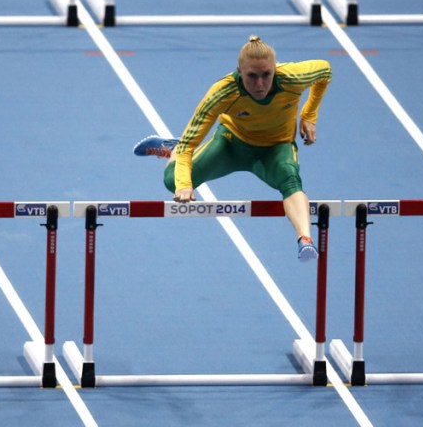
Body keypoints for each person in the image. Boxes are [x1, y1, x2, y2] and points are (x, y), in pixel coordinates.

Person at [134, 35, 331, 262]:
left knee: (290, 178)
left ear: (275, 69)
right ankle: (173, 149)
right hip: (231, 144)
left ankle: (305, 241)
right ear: (239, 70)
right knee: (172, 181)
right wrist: (185, 185)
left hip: (276, 149)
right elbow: (190, 144)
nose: (260, 84)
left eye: (266, 75)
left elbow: (325, 72)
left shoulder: (293, 77)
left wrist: (309, 116)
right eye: (252, 76)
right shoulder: (223, 92)